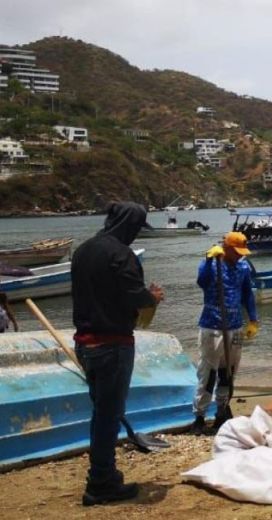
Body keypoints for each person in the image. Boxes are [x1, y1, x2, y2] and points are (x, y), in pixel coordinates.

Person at [71, 202, 164, 506]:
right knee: (108, 415)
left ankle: (103, 475)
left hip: (85, 343)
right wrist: (153, 297)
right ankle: (101, 482)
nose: (137, 234)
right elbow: (135, 298)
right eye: (137, 228)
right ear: (129, 225)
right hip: (113, 344)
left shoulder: (82, 251)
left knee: (101, 413)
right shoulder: (121, 255)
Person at [191, 231, 259, 435]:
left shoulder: (243, 266)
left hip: (235, 326)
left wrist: (253, 319)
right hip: (212, 325)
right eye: (236, 251)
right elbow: (201, 283)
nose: (239, 255)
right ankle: (200, 416)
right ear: (226, 247)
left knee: (228, 372)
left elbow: (247, 294)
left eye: (242, 252)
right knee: (208, 372)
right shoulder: (212, 264)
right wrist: (207, 258)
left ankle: (222, 410)